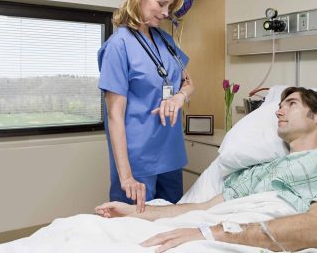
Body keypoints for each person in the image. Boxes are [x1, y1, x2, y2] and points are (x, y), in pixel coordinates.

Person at [96, 86, 317, 252]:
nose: (279, 112)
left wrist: (211, 233)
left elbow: (312, 227)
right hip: (218, 226)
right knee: (89, 231)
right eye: (279, 106)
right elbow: (203, 207)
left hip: (229, 235)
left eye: (291, 104)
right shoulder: (257, 171)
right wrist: (135, 212)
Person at [97, 0, 195, 213]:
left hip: (170, 154)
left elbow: (188, 82)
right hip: (137, 162)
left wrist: (179, 98)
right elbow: (114, 116)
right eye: (161, 4)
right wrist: (126, 176)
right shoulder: (118, 46)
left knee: (173, 226)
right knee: (135, 235)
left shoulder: (165, 39)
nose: (165, 13)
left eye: (169, 7)